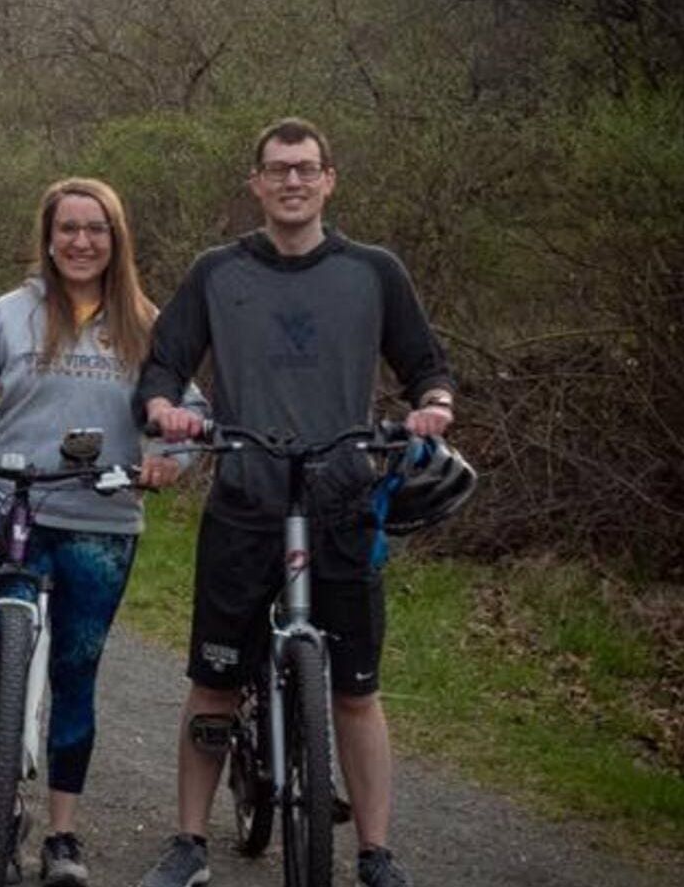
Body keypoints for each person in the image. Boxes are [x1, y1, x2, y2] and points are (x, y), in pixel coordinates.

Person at [132, 119, 455, 887]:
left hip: (343, 499)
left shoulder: (375, 272)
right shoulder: (217, 272)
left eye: (306, 169)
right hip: (245, 495)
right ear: (256, 184)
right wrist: (163, 411)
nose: (292, 183)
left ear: (329, 179)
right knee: (213, 681)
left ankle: (376, 854)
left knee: (355, 691)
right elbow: (162, 365)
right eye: (277, 170)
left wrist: (433, 405)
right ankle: (188, 845)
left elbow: (426, 365)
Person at [0, 177, 199, 887]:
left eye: (96, 229)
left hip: (102, 522)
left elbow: (184, 412)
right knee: (3, 657)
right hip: (13, 510)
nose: (81, 241)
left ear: (116, 240)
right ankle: (3, 806)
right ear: (48, 238)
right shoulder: (11, 314)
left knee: (76, 674)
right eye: (68, 229)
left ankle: (62, 834)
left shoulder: (147, 322)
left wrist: (168, 456)